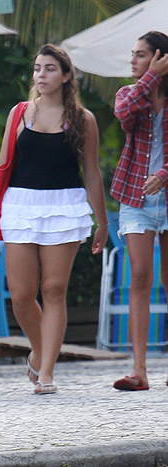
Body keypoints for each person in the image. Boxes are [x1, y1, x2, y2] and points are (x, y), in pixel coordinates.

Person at [0, 44, 108, 395]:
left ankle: (47, 369)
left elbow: (92, 173)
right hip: (21, 205)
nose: (41, 75)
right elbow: (1, 163)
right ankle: (39, 348)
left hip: (65, 206)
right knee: (21, 294)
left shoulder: (83, 120)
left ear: (66, 75)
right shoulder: (20, 113)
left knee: (53, 290)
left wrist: (103, 222)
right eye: (37, 68)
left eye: (50, 69)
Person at [110, 31, 168, 391]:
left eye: (141, 55)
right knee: (140, 278)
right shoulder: (130, 94)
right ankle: (139, 370)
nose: (132, 60)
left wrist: (164, 174)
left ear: (161, 57)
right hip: (136, 198)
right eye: (132, 55)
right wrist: (151, 77)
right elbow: (125, 114)